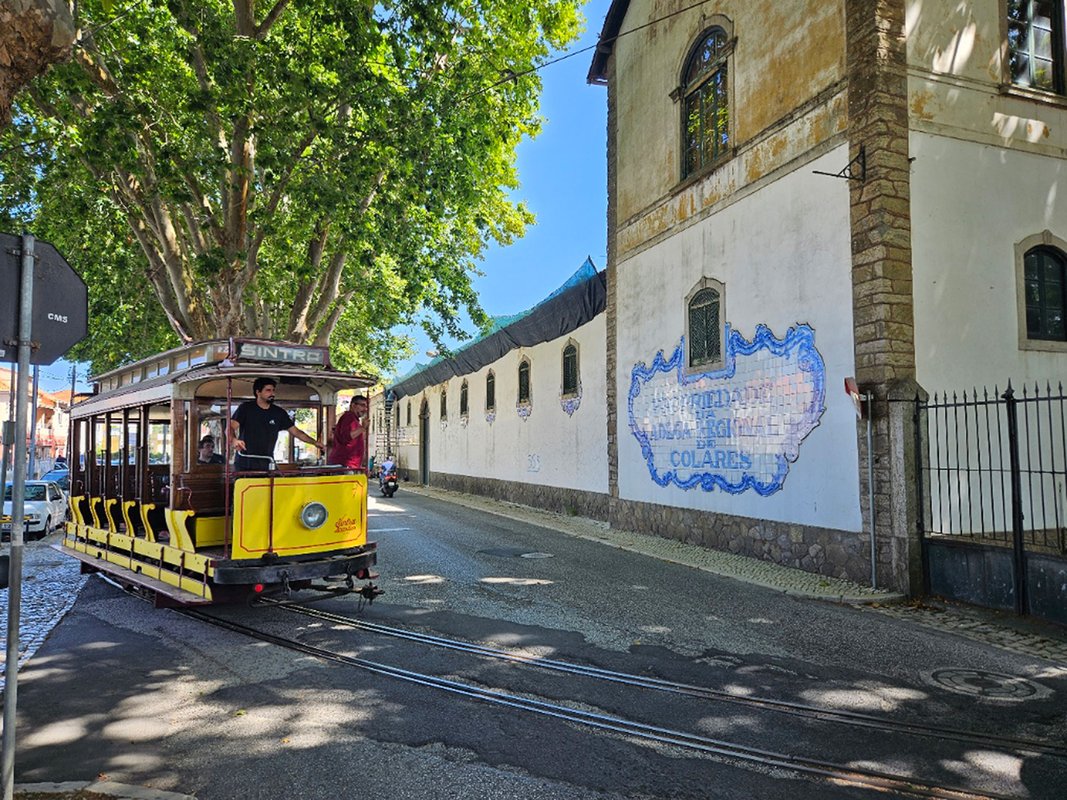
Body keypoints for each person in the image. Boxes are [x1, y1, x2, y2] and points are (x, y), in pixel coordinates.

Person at [230, 377, 324, 470]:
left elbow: (296, 432)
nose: (272, 393)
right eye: (268, 390)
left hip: (267, 462)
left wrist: (315, 443)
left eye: (273, 390)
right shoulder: (245, 408)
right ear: (258, 392)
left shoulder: (279, 413)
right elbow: (230, 428)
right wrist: (234, 440)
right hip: (245, 462)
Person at [328, 395, 369, 469]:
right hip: (345, 464)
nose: (365, 409)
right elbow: (345, 437)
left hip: (348, 464)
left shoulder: (353, 419)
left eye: (366, 407)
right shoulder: (349, 417)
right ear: (353, 405)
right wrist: (362, 428)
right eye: (362, 405)